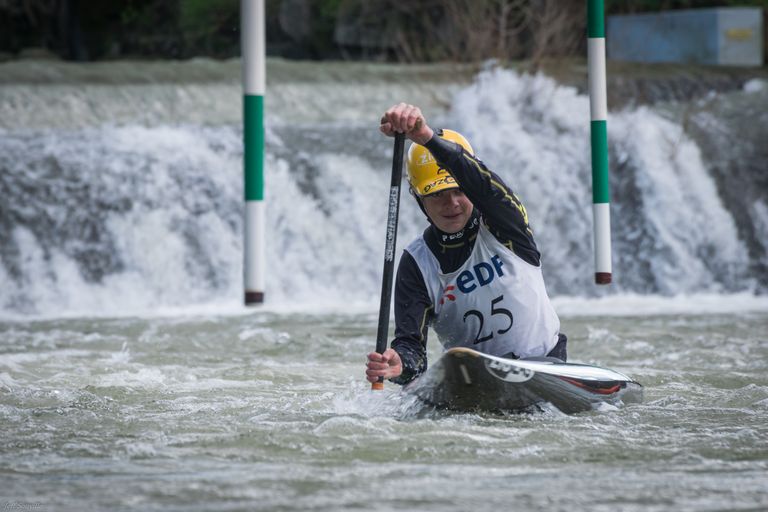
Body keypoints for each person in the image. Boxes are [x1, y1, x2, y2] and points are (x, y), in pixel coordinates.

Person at [366, 102, 566, 386]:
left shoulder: (504, 223)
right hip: (475, 386)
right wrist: (399, 364)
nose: (452, 204)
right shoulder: (416, 263)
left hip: (546, 367)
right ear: (418, 198)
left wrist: (425, 136)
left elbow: (482, 183)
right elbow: (413, 354)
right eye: (437, 195)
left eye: (459, 190)